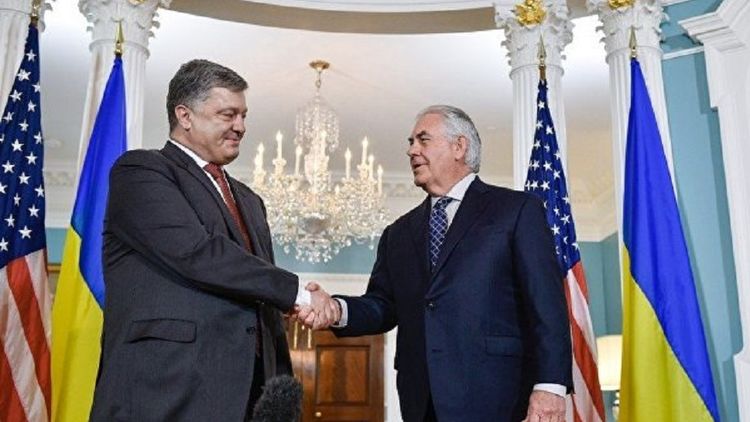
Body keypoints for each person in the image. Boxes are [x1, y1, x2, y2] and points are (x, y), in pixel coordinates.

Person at [89, 59, 336, 421]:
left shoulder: (250, 200)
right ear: (185, 116)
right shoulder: (141, 171)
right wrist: (298, 293)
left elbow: (259, 293)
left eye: (243, 116)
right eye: (228, 114)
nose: (241, 127)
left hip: (249, 397)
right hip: (166, 391)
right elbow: (197, 253)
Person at [306, 105, 572, 422]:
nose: (411, 150)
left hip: (498, 398)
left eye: (423, 140)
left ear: (459, 146)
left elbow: (546, 304)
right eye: (411, 142)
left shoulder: (516, 210)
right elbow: (383, 305)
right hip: (422, 402)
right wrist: (336, 309)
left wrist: (550, 386)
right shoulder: (398, 233)